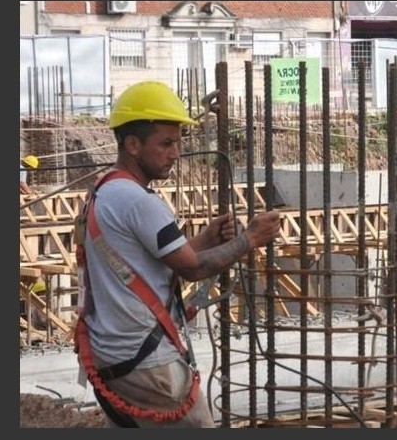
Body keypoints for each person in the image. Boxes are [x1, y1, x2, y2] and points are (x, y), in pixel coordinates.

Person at [74, 81, 282, 428]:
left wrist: (206, 237)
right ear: (133, 144)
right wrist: (250, 238)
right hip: (148, 363)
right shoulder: (140, 202)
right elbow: (194, 269)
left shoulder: (105, 191)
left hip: (111, 356)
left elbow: (156, 260)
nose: (176, 153)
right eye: (166, 143)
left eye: (178, 142)